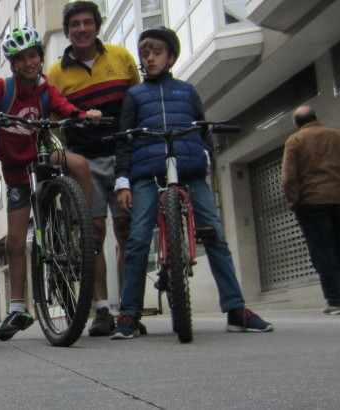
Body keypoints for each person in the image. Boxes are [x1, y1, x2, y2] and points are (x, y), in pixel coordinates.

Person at [110, 26, 273, 339]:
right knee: (138, 239)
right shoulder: (134, 96)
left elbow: (202, 128)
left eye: (157, 52)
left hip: (190, 171)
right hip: (147, 173)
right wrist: (123, 182)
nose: (150, 58)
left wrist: (206, 157)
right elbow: (124, 141)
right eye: (145, 53)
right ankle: (129, 314)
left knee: (214, 234)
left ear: (171, 57)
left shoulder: (187, 91)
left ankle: (236, 309)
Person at [0, 27, 100, 341]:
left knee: (79, 163)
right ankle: (18, 308)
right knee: (15, 243)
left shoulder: (46, 88)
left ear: (40, 57)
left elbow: (64, 106)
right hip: (16, 172)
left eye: (33, 55)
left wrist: (82, 114)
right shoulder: (3, 87)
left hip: (42, 156)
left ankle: (81, 227)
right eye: (21, 58)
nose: (29, 62)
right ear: (13, 64)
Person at [46, 0, 141, 337]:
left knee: (127, 232)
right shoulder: (55, 74)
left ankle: (129, 309)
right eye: (75, 24)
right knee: (94, 234)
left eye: (87, 22)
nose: (82, 29)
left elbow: (137, 103)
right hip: (85, 162)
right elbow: (54, 125)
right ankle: (102, 309)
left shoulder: (121, 57)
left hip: (125, 155)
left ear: (97, 27)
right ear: (67, 31)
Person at [281, 106, 340, 315]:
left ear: (296, 123)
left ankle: (334, 299)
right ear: (317, 117)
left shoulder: (295, 140)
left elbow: (288, 178)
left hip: (312, 202)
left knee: (322, 250)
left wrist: (294, 203)